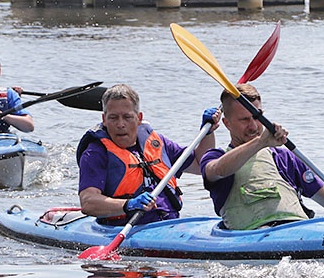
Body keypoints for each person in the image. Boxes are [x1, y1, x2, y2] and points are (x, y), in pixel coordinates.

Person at [201, 84, 324, 230]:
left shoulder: (284, 157)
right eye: (244, 119)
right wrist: (261, 142)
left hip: (296, 229)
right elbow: (218, 170)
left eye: (257, 117)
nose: (254, 126)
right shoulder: (215, 157)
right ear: (227, 123)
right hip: (251, 237)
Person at [77, 84, 221, 226]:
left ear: (139, 118)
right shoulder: (95, 153)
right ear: (104, 119)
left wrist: (208, 133)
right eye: (113, 118)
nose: (120, 124)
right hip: (126, 229)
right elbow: (88, 202)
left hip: (170, 225)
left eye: (127, 117)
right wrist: (128, 205)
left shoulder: (156, 142)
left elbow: (199, 164)